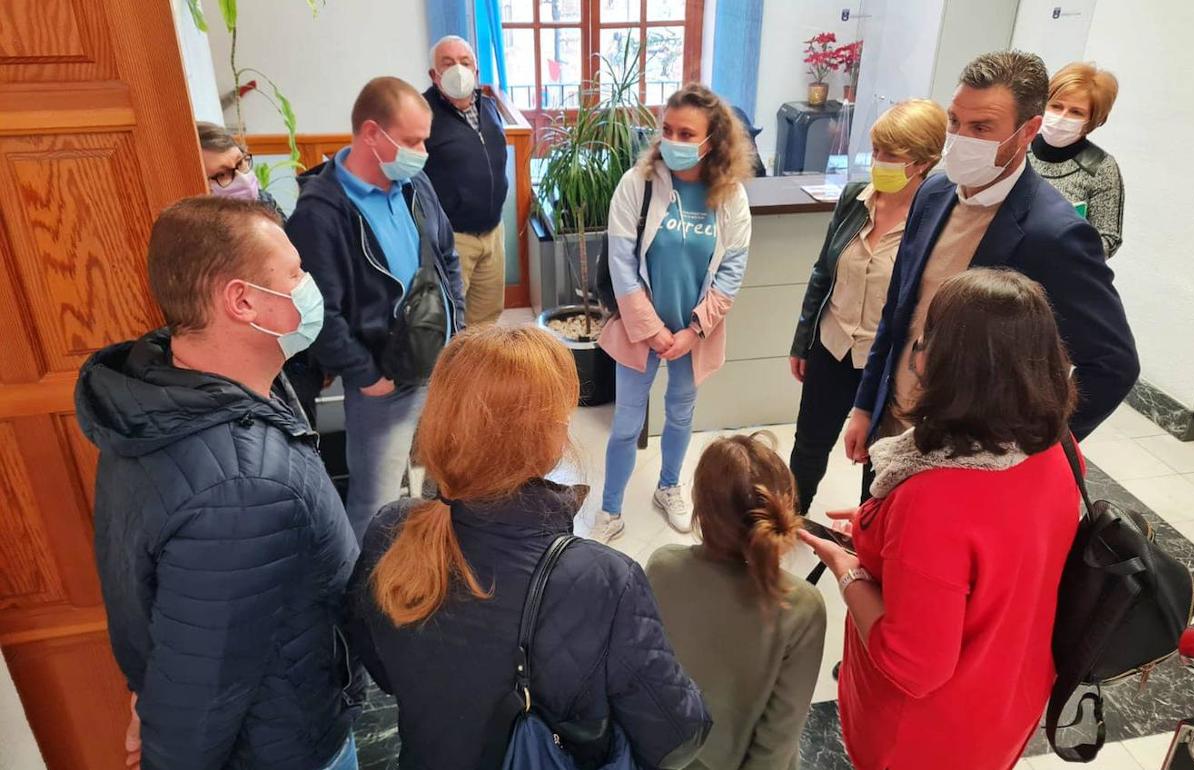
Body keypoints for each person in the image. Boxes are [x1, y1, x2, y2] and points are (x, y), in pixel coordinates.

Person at [75, 197, 360, 770]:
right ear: (242, 301)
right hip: (289, 745)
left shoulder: (171, 385)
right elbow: (198, 698)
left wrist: (146, 695)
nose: (308, 286)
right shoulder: (243, 490)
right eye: (295, 273)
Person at [345, 325, 711, 770]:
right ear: (547, 435)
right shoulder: (604, 580)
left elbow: (379, 665)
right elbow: (676, 737)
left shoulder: (390, 529)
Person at [801, 268, 1082, 770]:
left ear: (946, 366)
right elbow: (996, 552)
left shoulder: (931, 499)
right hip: (1009, 696)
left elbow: (913, 666)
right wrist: (885, 533)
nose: (918, 351)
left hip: (927, 736)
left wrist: (847, 571)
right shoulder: (1057, 447)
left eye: (926, 339)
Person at [843, 50, 1138, 493]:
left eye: (981, 128)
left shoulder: (1054, 235)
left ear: (1028, 131)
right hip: (894, 430)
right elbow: (898, 308)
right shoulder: (933, 194)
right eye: (955, 122)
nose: (960, 139)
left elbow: (1114, 364)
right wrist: (866, 406)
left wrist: (1035, 450)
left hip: (972, 457)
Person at [286, 76, 465, 541]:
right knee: (374, 500)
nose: (422, 152)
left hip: (441, 364)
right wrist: (366, 376)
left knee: (444, 477)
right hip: (384, 384)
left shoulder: (414, 182)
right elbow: (319, 312)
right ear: (371, 133)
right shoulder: (319, 214)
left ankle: (429, 557)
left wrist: (459, 328)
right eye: (412, 141)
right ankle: (368, 581)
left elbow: (447, 257)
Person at [591, 83, 755, 543]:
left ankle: (668, 488)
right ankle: (610, 509)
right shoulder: (637, 184)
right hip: (639, 329)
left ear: (712, 141)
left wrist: (694, 331)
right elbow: (621, 264)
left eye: (687, 134)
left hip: (692, 332)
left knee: (681, 415)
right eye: (667, 130)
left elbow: (731, 271)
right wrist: (651, 329)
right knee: (626, 424)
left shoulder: (730, 197)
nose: (673, 141)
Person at [788, 99, 945, 515]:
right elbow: (823, 272)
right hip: (833, 344)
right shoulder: (855, 198)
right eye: (876, 150)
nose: (878, 161)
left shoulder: (936, 218)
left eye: (891, 154)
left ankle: (867, 534)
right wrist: (802, 342)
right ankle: (788, 518)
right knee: (809, 445)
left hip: (888, 361)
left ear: (923, 162)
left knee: (879, 458)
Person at [647, 432, 826, 770]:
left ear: (699, 509)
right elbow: (779, 734)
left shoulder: (663, 566)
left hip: (665, 752)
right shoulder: (801, 605)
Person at [197, 122, 327, 424]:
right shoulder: (202, 245)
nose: (242, 178)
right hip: (248, 376)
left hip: (296, 360)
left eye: (241, 162)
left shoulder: (265, 206)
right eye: (222, 175)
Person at [422, 35, 510, 326]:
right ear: (434, 74)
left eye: (465, 62)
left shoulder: (489, 106)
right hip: (453, 237)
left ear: (476, 71)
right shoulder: (422, 113)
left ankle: (481, 359)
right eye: (448, 63)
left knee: (486, 318)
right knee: (449, 320)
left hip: (493, 232)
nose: (458, 70)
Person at [1027, 62, 1125, 257]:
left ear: (1093, 120)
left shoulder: (1100, 167)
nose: (1062, 117)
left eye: (1076, 112)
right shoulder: (1018, 147)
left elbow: (1109, 238)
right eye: (1056, 106)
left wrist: (1067, 251)